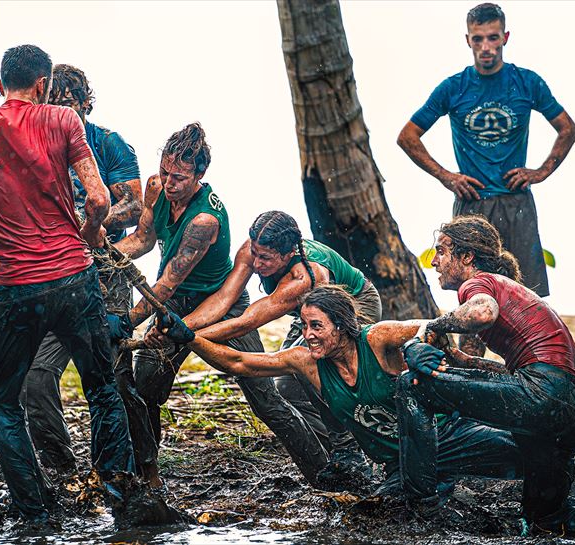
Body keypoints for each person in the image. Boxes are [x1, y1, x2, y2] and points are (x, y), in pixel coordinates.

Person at [0, 44, 134, 524]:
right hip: (75, 277)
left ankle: (35, 509)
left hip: (16, 287)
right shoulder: (63, 122)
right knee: (102, 389)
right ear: (43, 86)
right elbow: (97, 199)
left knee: (2, 400)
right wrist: (87, 236)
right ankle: (122, 496)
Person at [155, 285, 522, 500]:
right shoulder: (306, 361)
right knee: (388, 516)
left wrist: (419, 349)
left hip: (448, 436)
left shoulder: (376, 339)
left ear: (343, 326)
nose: (308, 334)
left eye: (316, 326)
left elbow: (426, 327)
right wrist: (190, 337)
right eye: (303, 326)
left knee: (528, 457)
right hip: (401, 465)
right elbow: (239, 363)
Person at [113, 123, 317, 486]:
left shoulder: (204, 220)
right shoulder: (156, 189)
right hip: (171, 298)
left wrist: (127, 321)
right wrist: (102, 256)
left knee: (264, 399)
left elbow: (165, 284)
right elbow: (143, 240)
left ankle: (323, 469)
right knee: (144, 389)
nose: (169, 182)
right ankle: (148, 474)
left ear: (200, 175)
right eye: (164, 172)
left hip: (221, 300)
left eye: (179, 176)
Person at [395, 215, 575, 536]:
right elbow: (511, 375)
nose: (434, 263)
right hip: (574, 410)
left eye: (441, 252)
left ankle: (421, 508)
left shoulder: (478, 283)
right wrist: (459, 360)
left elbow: (482, 313)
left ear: (466, 257)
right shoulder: (514, 291)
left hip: (541, 394)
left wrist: (432, 327)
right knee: (548, 522)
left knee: (411, 386)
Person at [179, 210, 382, 484]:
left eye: (266, 258)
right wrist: (183, 326)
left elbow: (246, 322)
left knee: (314, 372)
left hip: (354, 305)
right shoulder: (252, 251)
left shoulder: (304, 276)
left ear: (288, 255)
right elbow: (226, 298)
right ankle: (336, 449)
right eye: (255, 253)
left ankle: (349, 448)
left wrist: (188, 337)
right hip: (309, 313)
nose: (258, 262)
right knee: (286, 387)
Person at [20, 63, 153, 480]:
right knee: (37, 378)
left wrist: (85, 220)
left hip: (106, 273)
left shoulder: (109, 144)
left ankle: (134, 468)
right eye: (52, 104)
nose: (61, 113)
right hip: (55, 275)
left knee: (113, 376)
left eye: (70, 105)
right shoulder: (37, 148)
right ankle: (61, 468)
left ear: (85, 105)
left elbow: (134, 207)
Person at [397, 2, 575, 298]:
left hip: (515, 202)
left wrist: (541, 172)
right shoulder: (454, 88)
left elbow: (568, 129)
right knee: (472, 295)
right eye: (478, 38)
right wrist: (447, 177)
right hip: (472, 205)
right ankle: (467, 347)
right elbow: (408, 137)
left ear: (505, 37)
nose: (486, 47)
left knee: (524, 296)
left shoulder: (527, 83)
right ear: (467, 40)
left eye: (493, 38)